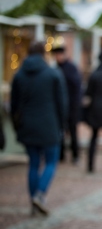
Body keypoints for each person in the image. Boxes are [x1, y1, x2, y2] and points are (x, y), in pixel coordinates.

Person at [10, 41, 68, 216]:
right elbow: (62, 103)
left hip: (28, 127)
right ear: (44, 54)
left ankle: (34, 200)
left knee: (33, 163)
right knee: (51, 161)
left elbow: (14, 106)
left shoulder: (19, 75)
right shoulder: (53, 74)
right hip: (49, 126)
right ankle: (40, 195)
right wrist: (63, 125)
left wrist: (17, 125)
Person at [51, 45, 82, 165]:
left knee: (73, 131)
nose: (57, 57)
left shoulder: (71, 68)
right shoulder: (55, 69)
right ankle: (61, 155)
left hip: (71, 106)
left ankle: (75, 155)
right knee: (60, 131)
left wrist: (75, 105)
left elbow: (77, 88)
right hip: (59, 106)